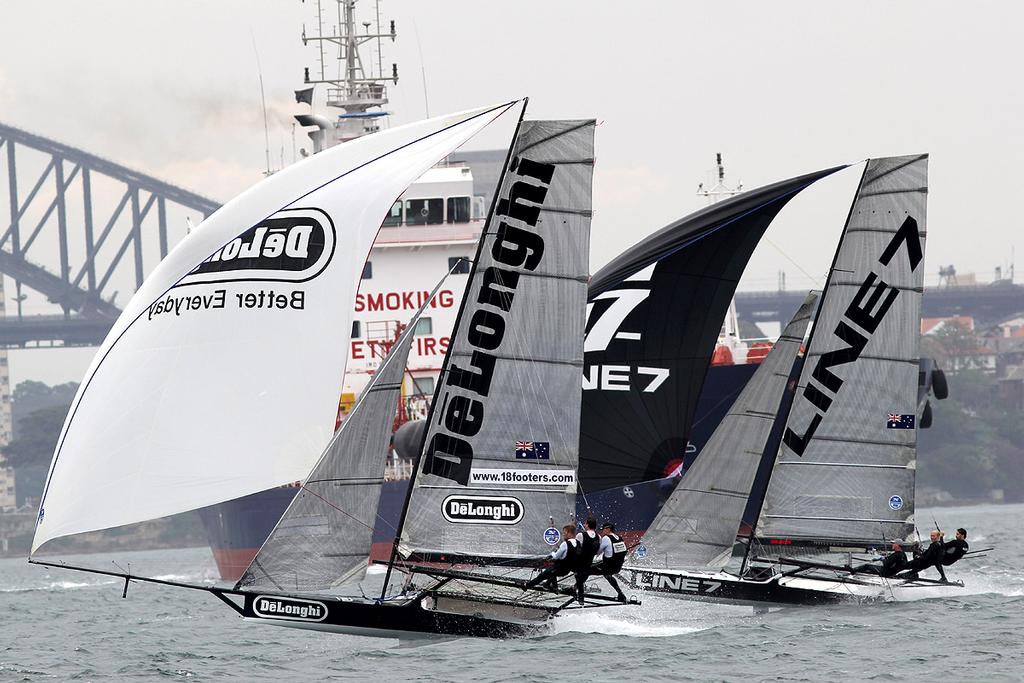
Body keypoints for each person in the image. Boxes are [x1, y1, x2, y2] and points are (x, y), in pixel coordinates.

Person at [525, 525, 578, 592]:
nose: (563, 534)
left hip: (559, 569)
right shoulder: (578, 543)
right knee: (551, 572)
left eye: (564, 533)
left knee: (541, 576)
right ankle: (554, 587)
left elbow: (556, 556)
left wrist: (551, 554)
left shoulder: (565, 544)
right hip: (566, 570)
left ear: (569, 533)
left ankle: (526, 585)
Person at [588, 522, 629, 602]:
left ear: (608, 529)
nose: (602, 531)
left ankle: (575, 588)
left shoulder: (606, 538)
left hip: (608, 567)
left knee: (585, 570)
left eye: (603, 530)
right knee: (607, 575)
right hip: (617, 568)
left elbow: (596, 552)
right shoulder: (620, 538)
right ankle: (621, 594)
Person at [569, 518, 603, 604]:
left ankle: (580, 596)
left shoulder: (580, 535)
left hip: (578, 563)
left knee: (559, 565)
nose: (584, 525)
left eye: (585, 524)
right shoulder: (599, 537)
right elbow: (598, 551)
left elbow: (575, 549)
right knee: (584, 573)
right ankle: (576, 589)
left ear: (587, 525)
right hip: (588, 563)